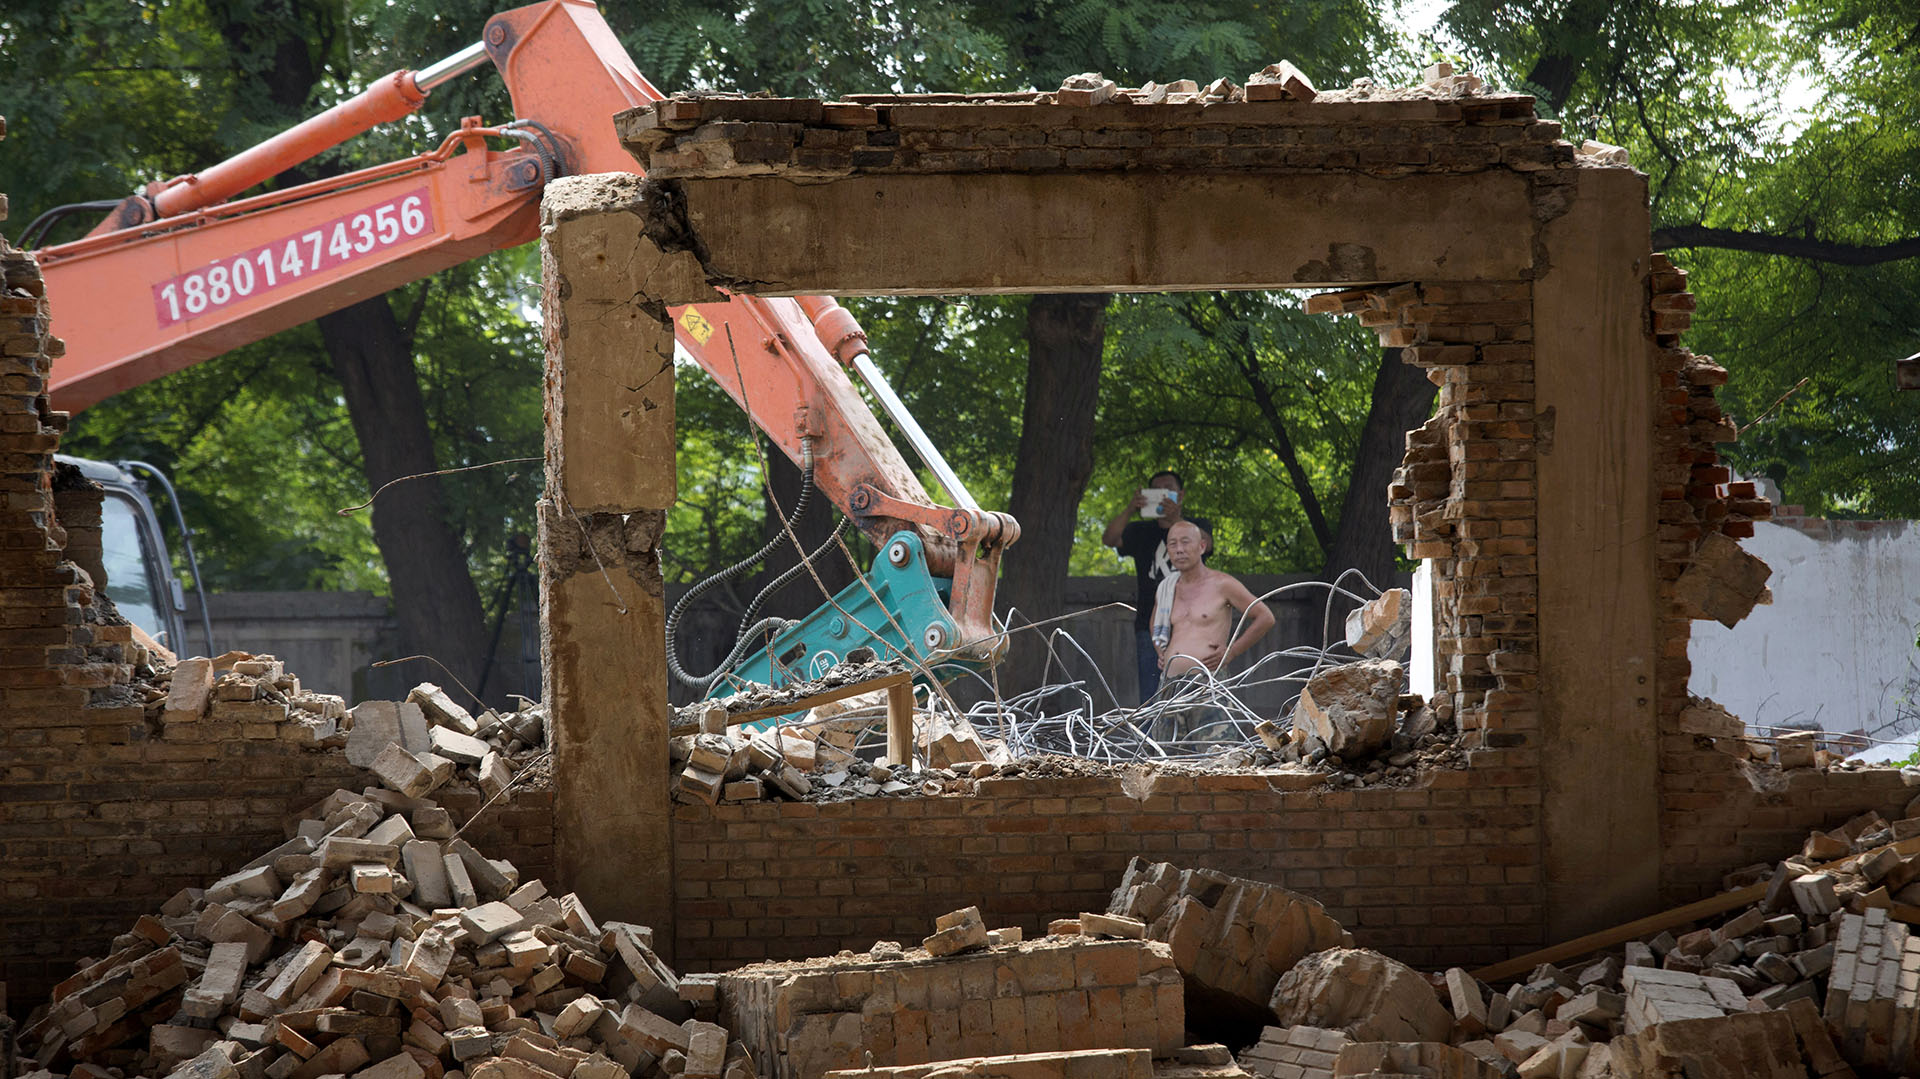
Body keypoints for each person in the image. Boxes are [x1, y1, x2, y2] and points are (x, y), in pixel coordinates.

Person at [1103, 470, 1211, 702]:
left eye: (1168, 489)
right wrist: (1132, 507)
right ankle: (1153, 738)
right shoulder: (1140, 531)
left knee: (1193, 695)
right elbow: (1109, 539)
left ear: (1180, 495)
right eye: (1156, 490)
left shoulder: (1196, 526)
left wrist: (1176, 521)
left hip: (1194, 624)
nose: (1162, 495)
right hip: (1149, 627)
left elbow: (1208, 543)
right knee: (1153, 695)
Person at [1150, 520, 1274, 681]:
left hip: (1208, 682)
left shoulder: (1223, 584)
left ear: (1202, 546)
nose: (1179, 549)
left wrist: (1232, 651)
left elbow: (1265, 617)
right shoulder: (1167, 588)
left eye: (1185, 542)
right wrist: (1161, 651)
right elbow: (1155, 623)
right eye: (1173, 544)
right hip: (1170, 682)